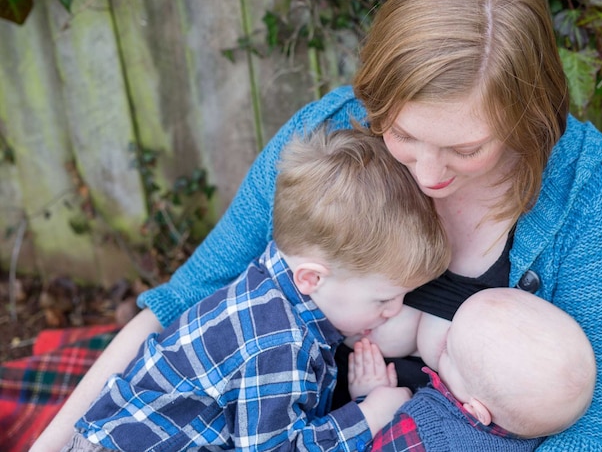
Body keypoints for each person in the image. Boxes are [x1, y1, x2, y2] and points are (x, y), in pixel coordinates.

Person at [33, 0, 602, 450]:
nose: (429, 177)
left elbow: (600, 429)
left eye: (467, 148)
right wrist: (54, 444)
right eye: (404, 137)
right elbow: (186, 300)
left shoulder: (584, 191)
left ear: (528, 116)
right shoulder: (331, 135)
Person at [59, 129, 450, 451]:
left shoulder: (271, 282)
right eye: (384, 299)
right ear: (312, 279)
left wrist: (363, 395)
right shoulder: (277, 344)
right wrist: (369, 416)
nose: (394, 310)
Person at [349, 287, 597, 451]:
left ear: (476, 411)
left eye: (448, 348)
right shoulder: (529, 427)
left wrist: (367, 398)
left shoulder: (422, 434)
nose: (444, 331)